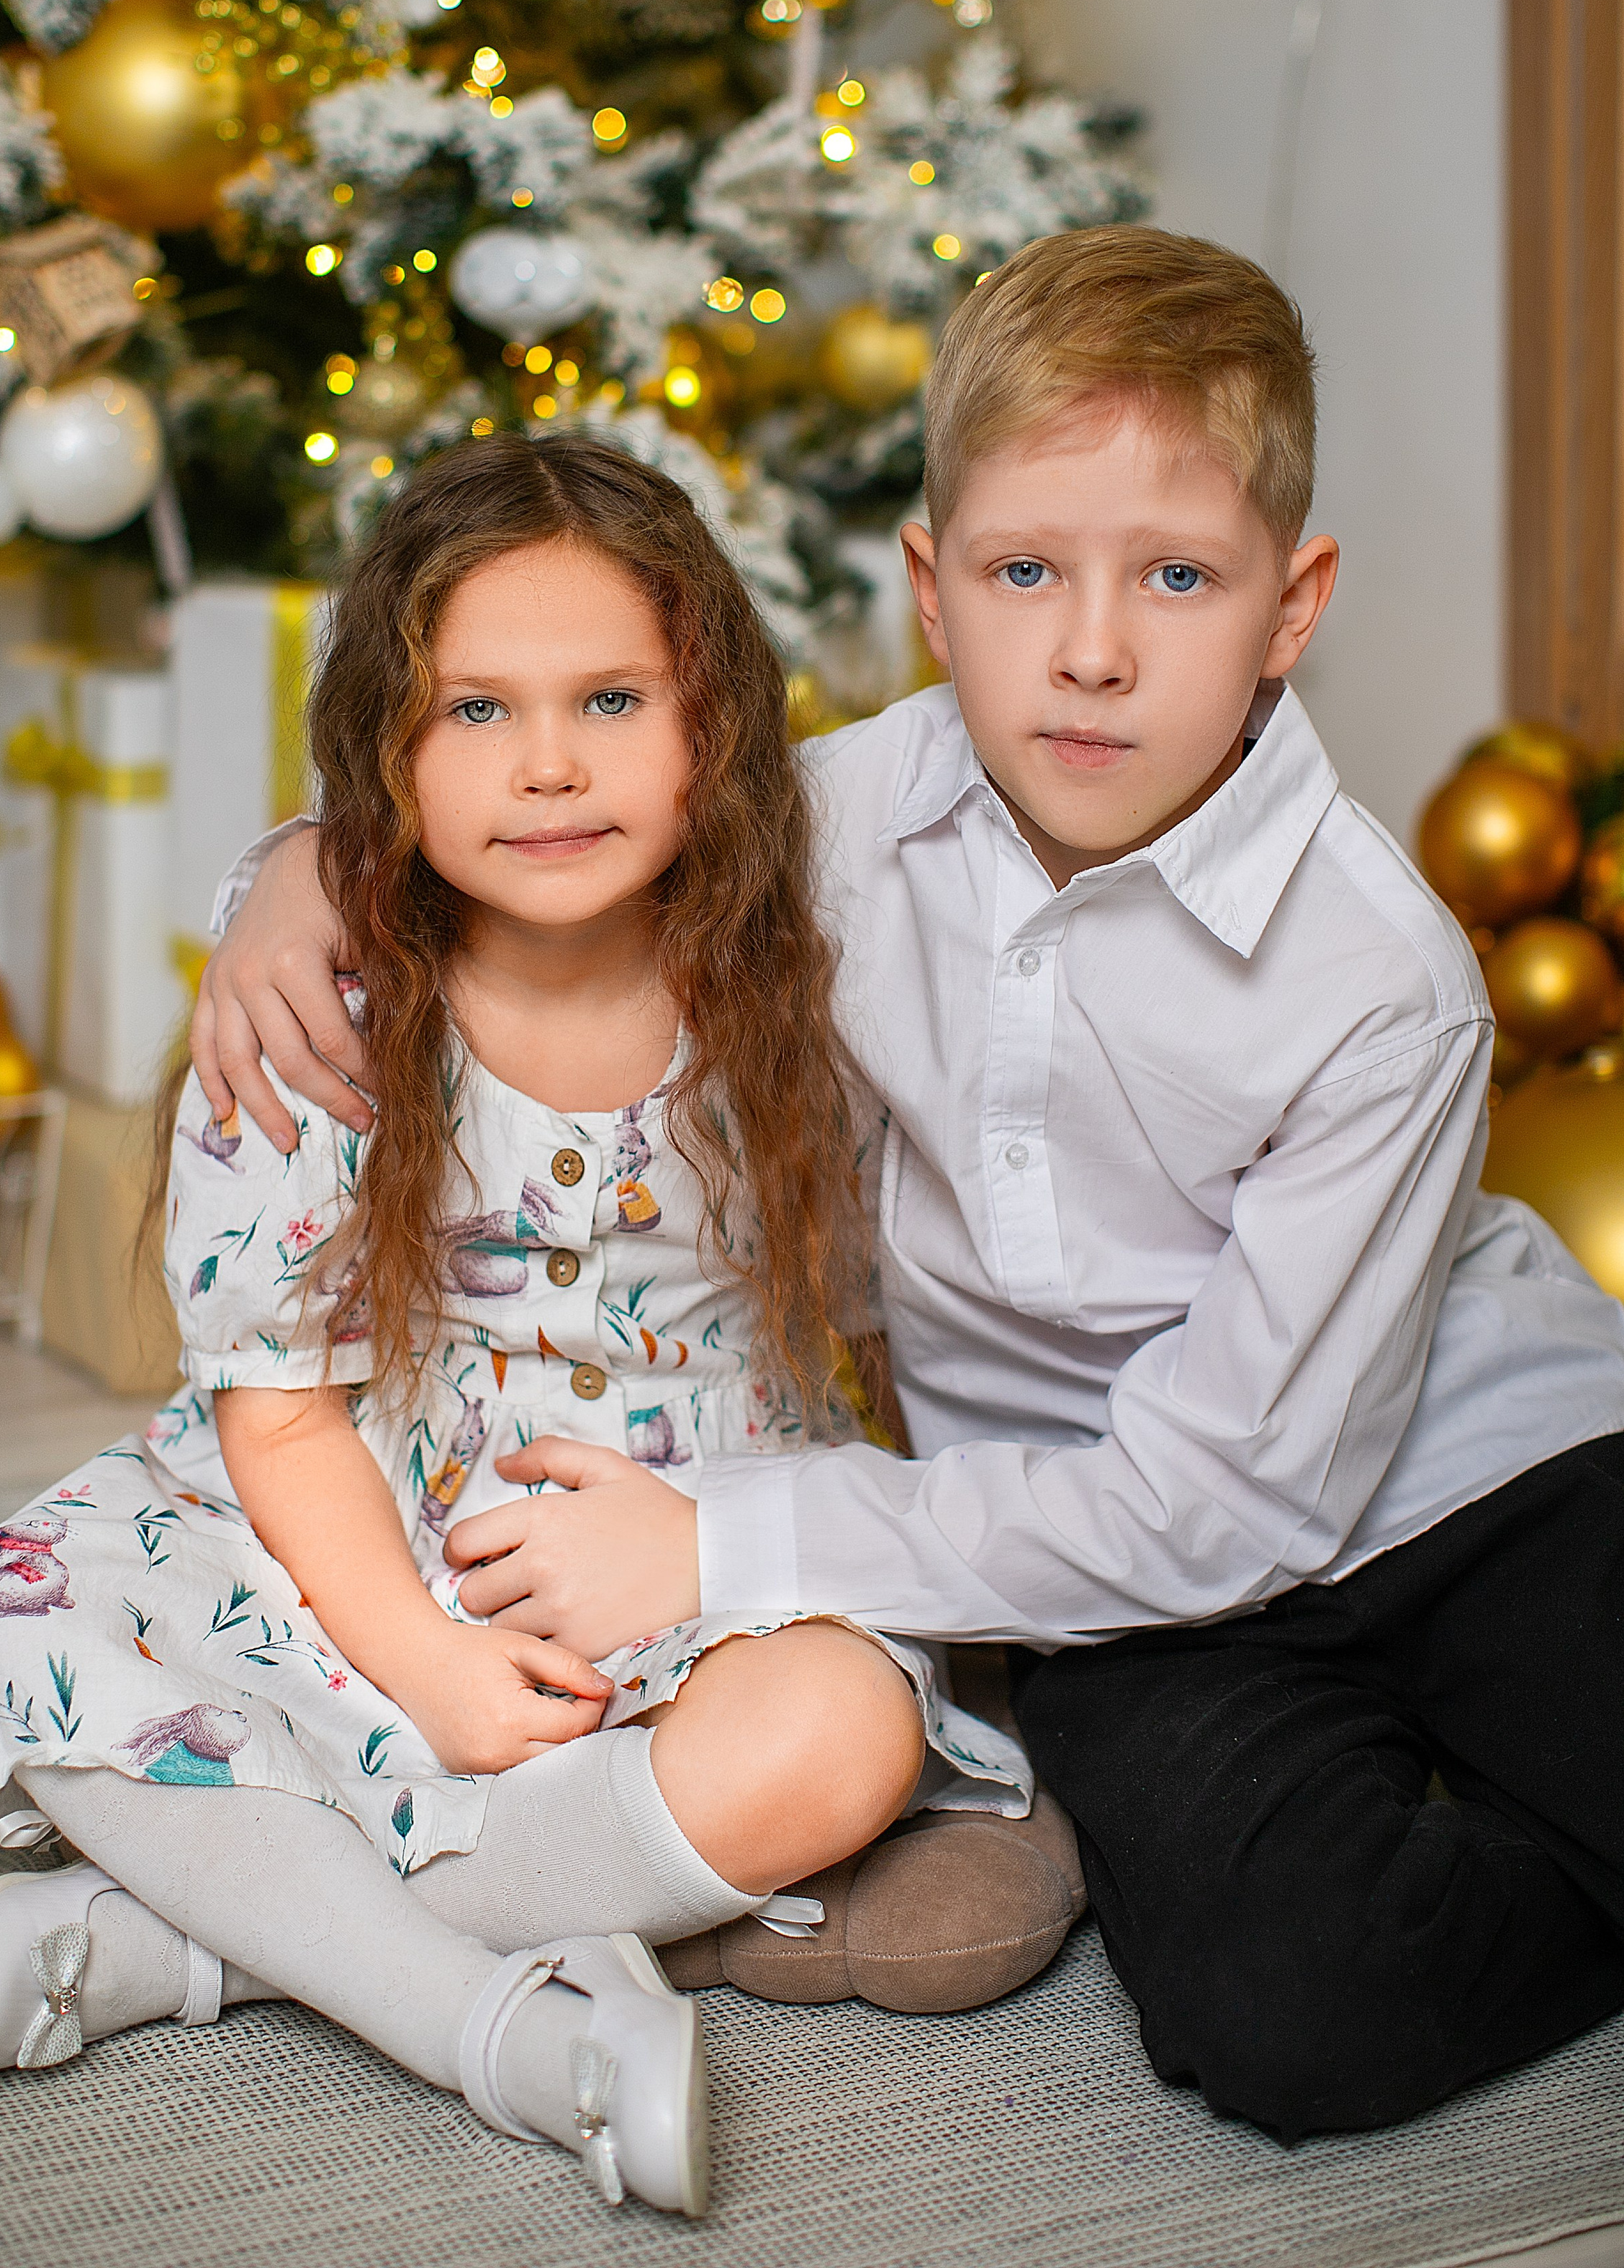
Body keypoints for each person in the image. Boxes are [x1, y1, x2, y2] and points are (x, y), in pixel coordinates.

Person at [198, 228, 1624, 2145]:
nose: (1093, 650)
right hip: (1073, 1566)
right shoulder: (833, 819)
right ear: (933, 592)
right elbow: (535, 814)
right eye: (1029, 572)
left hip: (1481, 1475)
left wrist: (725, 1536)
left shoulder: (1384, 983)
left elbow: (1225, 1501)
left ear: (1294, 608)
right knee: (1294, 2020)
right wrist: (291, 879)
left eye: (1178, 579)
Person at [0, 438, 1068, 2222]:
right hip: (361, 1535)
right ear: (383, 752)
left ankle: (209, 1942)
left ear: (713, 728)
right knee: (43, 1616)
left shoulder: (790, 955)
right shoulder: (324, 1014)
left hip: (694, 1532)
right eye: (473, 714)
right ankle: (490, 2026)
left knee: (844, 1736)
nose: (549, 766)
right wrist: (422, 1666)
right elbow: (275, 1412)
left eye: (610, 697)